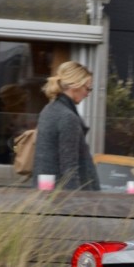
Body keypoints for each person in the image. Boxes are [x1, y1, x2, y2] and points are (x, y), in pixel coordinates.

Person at [33, 61, 101, 191]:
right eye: (87, 89)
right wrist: (74, 204)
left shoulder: (48, 110)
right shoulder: (68, 117)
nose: (88, 94)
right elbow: (69, 169)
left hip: (45, 193)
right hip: (62, 200)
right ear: (75, 85)